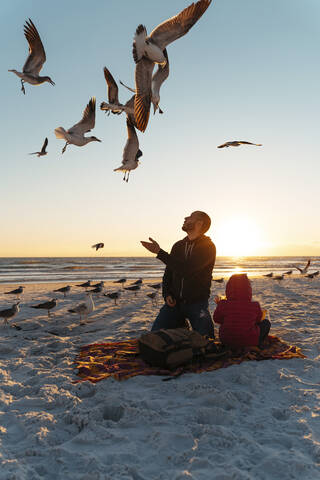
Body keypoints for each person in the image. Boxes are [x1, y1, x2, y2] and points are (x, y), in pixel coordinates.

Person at [140, 211, 216, 337]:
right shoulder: (178, 246)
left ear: (199, 223)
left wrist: (159, 252)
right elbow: (169, 273)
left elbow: (188, 270)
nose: (186, 218)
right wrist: (167, 294)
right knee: (154, 337)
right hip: (174, 304)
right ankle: (181, 327)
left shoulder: (207, 247)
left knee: (207, 342)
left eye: (191, 217)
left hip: (197, 304)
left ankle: (182, 329)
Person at [213, 273, 271, 348]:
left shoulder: (223, 304)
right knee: (266, 323)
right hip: (249, 341)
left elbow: (217, 319)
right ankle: (257, 343)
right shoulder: (255, 305)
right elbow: (258, 321)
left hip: (226, 341)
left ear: (228, 288)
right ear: (248, 289)